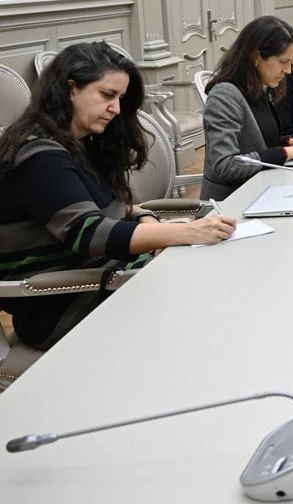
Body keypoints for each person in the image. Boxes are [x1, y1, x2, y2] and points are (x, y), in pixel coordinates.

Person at [0, 42, 236, 350]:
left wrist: (147, 219)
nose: (116, 109)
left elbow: (115, 208)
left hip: (100, 279)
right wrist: (186, 232)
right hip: (61, 305)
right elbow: (89, 233)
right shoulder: (40, 155)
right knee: (209, 296)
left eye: (120, 99)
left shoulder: (78, 142)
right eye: (107, 95)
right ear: (71, 89)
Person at [202, 17, 293, 200]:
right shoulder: (224, 95)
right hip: (232, 202)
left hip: (263, 190)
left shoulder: (259, 88)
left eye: (291, 62)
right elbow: (225, 164)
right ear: (256, 58)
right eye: (283, 61)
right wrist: (286, 153)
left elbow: (261, 141)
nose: (288, 70)